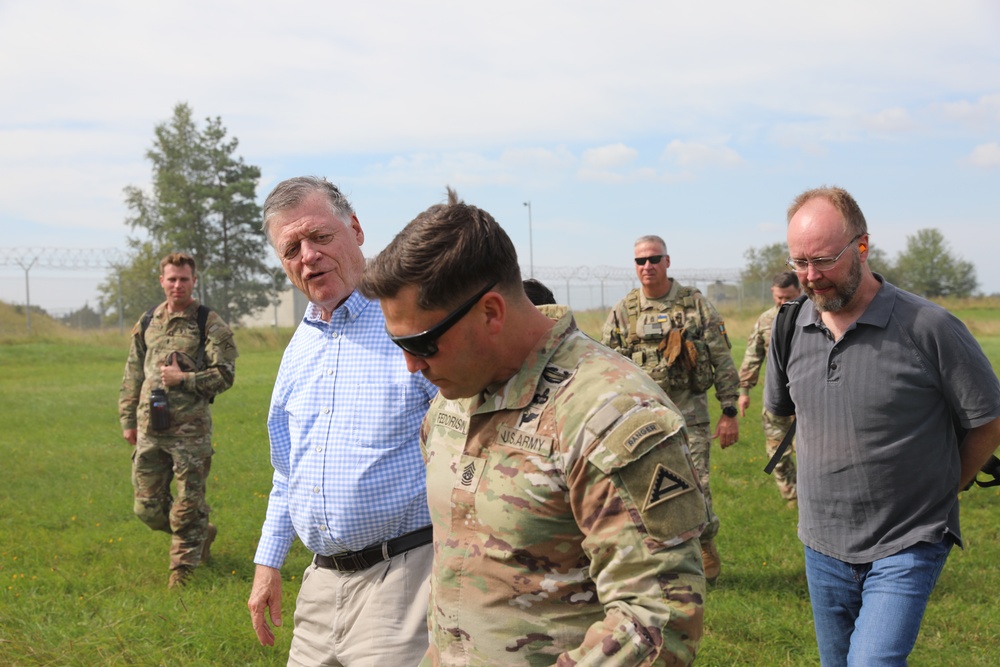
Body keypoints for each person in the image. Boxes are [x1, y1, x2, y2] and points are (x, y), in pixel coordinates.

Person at [360, 188, 707, 666]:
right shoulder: (450, 404)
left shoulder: (609, 412)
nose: (410, 367)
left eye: (422, 343)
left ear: (491, 313)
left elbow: (658, 614)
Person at [764, 186, 1000, 666]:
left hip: (907, 540)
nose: (811, 277)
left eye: (825, 260)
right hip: (821, 544)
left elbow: (989, 419)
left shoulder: (928, 327)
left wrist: (949, 486)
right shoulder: (789, 328)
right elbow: (784, 409)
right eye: (800, 262)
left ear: (863, 247)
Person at [247, 177, 437, 666]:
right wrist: (268, 564)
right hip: (320, 586)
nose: (307, 256)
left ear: (355, 229)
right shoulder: (301, 347)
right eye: (291, 248)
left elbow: (475, 447)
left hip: (406, 579)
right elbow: (288, 471)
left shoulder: (412, 323)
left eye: (320, 237)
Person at [600, 235, 740, 583]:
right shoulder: (623, 311)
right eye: (640, 261)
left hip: (688, 413)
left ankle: (704, 546)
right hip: (641, 419)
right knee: (646, 488)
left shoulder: (694, 305)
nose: (647, 266)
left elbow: (721, 357)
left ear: (667, 261)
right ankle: (660, 555)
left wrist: (729, 410)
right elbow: (605, 367)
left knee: (696, 485)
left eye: (654, 259)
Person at [118, 252, 238, 589]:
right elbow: (132, 374)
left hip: (190, 433)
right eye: (171, 279)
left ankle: (182, 573)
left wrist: (184, 380)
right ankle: (202, 532)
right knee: (147, 508)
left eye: (184, 279)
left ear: (193, 281)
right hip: (149, 429)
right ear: (162, 281)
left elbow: (226, 375)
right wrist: (128, 418)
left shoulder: (207, 323)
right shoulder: (147, 322)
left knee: (187, 505)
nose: (177, 285)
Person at [737, 271, 801, 505]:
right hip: (776, 401)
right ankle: (791, 498)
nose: (783, 302)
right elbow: (752, 356)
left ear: (800, 291)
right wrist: (744, 391)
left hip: (808, 401)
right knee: (778, 454)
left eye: (788, 297)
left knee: (810, 455)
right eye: (778, 298)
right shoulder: (765, 321)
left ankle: (814, 498)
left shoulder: (815, 317)